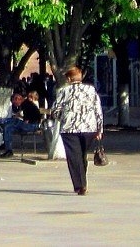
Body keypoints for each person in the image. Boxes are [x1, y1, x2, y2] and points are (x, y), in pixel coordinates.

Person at [51, 66, 104, 196]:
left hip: (69, 129)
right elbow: (98, 111)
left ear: (69, 78)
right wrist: (99, 129)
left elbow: (55, 110)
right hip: (89, 128)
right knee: (82, 155)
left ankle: (80, 185)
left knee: (74, 157)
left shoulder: (64, 91)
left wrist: (63, 118)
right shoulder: (91, 90)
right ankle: (83, 182)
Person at [0, 90, 44, 157]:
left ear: (19, 99)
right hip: (30, 125)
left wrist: (19, 119)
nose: (14, 103)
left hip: (32, 126)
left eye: (15, 101)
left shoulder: (26, 104)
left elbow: (27, 120)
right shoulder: (25, 103)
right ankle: (8, 149)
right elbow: (26, 118)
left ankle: (2, 122)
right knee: (8, 128)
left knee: (12, 121)